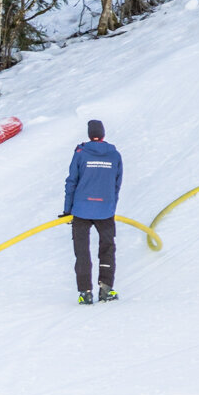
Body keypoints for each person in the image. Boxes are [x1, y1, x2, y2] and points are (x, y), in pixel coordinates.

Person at [63, 120, 123, 305]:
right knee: (107, 248)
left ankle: (85, 293)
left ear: (89, 135)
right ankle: (106, 289)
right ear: (103, 134)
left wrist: (67, 210)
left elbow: (71, 182)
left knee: (82, 251)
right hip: (105, 210)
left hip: (81, 209)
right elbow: (116, 184)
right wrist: (111, 206)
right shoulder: (115, 155)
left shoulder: (81, 154)